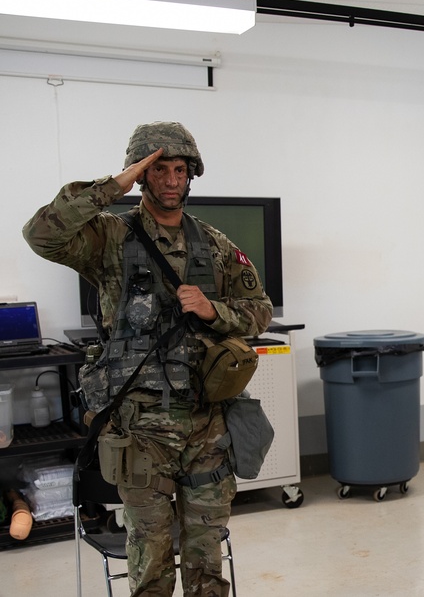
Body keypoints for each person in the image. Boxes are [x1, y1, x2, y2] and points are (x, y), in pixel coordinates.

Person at [23, 121, 272, 596]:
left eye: (181, 169)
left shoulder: (217, 245)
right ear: (141, 174)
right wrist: (111, 186)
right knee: (151, 562)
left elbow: (259, 310)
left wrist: (212, 309)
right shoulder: (111, 238)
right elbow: (41, 234)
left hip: (205, 425)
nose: (173, 179)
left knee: (206, 558)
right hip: (141, 428)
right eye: (160, 169)